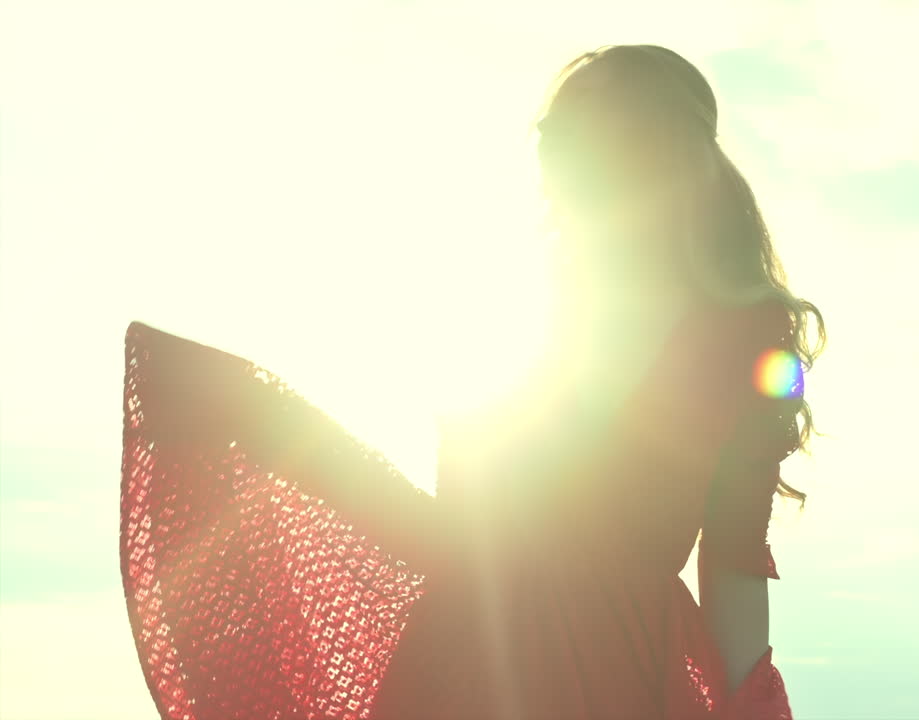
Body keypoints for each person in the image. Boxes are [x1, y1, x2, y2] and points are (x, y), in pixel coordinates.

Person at [119, 44, 825, 719]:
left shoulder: (742, 340)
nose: (546, 157)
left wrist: (748, 707)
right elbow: (459, 540)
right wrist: (264, 417)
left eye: (567, 137)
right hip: (461, 668)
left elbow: (732, 562)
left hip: (614, 678)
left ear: (649, 151)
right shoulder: (515, 318)